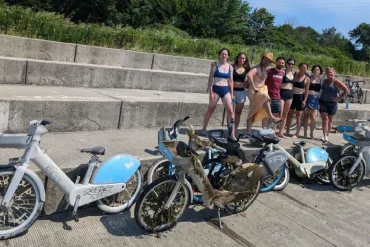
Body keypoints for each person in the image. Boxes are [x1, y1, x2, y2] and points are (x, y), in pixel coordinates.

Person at [202, 48, 236, 139]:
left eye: (226, 54)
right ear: (219, 55)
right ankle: (204, 128)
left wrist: (232, 93)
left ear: (228, 56)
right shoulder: (215, 65)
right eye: (222, 54)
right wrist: (211, 92)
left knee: (231, 111)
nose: (224, 55)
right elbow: (210, 79)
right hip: (216, 88)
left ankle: (231, 133)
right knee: (211, 109)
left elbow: (231, 81)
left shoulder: (230, 67)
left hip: (225, 90)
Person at [246, 53, 280, 134]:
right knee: (253, 109)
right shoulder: (256, 68)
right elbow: (249, 75)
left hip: (261, 91)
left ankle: (269, 121)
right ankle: (248, 132)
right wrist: (253, 87)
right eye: (265, 60)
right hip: (255, 91)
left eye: (268, 62)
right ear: (262, 59)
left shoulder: (265, 70)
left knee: (264, 107)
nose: (266, 62)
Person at [319, 67, 349, 143]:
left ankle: (327, 135)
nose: (330, 74)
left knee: (330, 120)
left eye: (331, 72)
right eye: (328, 72)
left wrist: (339, 98)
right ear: (326, 74)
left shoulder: (336, 82)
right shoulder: (324, 81)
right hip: (323, 102)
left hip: (332, 104)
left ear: (334, 73)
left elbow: (346, 91)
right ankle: (325, 136)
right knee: (324, 119)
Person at [285, 63, 310, 139]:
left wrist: (304, 100)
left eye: (305, 68)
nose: (303, 69)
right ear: (299, 68)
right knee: (289, 114)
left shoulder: (307, 79)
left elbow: (306, 91)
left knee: (298, 116)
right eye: (302, 67)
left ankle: (297, 133)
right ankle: (287, 130)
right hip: (292, 96)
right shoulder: (294, 75)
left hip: (300, 97)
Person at [262, 57, 285, 132]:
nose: (280, 64)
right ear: (276, 62)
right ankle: (264, 132)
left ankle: (272, 133)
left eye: (282, 63)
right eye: (279, 62)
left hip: (277, 97)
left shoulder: (283, 73)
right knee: (265, 116)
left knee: (275, 116)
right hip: (267, 97)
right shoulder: (269, 71)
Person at [303, 65, 323, 139]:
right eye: (315, 69)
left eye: (318, 69)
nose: (316, 70)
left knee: (313, 117)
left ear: (320, 71)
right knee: (306, 116)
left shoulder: (321, 80)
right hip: (307, 97)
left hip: (316, 98)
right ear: (312, 70)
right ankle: (305, 133)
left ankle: (311, 133)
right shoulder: (309, 78)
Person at [233, 52, 251, 135]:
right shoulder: (232, 67)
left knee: (238, 112)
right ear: (237, 58)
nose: (242, 59)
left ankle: (235, 129)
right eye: (240, 58)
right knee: (230, 112)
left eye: (243, 58)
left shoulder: (247, 69)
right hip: (232, 91)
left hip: (241, 92)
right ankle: (230, 128)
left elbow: (250, 80)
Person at [277, 58, 295, 138]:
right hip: (282, 93)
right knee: (279, 113)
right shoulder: (282, 72)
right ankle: (273, 131)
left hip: (290, 94)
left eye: (292, 64)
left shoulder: (294, 73)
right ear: (286, 64)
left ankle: (280, 132)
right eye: (289, 63)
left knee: (285, 114)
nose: (290, 65)